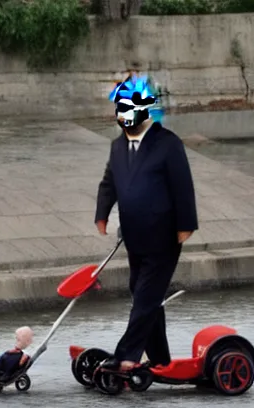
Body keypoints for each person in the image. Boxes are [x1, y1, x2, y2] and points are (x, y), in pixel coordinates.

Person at [95, 75, 197, 376]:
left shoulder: (167, 144)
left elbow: (183, 186)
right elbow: (109, 183)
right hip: (133, 237)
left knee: (145, 296)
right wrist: (102, 214)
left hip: (164, 235)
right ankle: (161, 356)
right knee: (141, 292)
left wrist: (185, 224)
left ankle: (128, 355)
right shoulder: (117, 148)